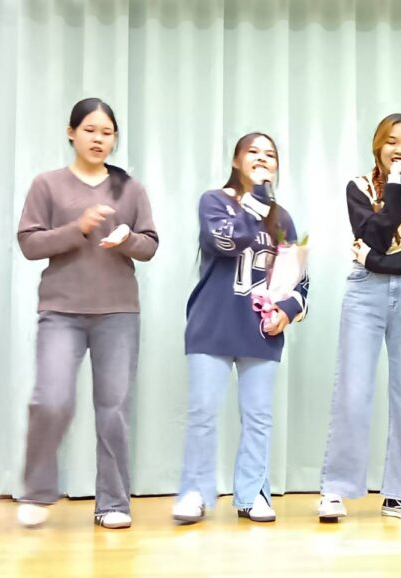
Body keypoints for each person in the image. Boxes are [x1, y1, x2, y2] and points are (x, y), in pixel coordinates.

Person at [16, 98, 159, 529]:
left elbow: (150, 245)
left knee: (113, 410)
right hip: (61, 311)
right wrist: (77, 228)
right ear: (71, 133)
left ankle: (113, 503)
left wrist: (127, 239)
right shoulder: (47, 184)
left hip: (118, 312)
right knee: (51, 399)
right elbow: (29, 244)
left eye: (107, 132)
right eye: (90, 130)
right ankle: (37, 492)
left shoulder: (129, 189)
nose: (99, 139)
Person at [172, 133, 308, 524]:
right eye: (254, 152)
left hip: (260, 331)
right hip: (212, 323)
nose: (263, 159)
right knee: (203, 413)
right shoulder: (214, 202)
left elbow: (298, 277)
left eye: (270, 155)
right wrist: (256, 201)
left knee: (258, 417)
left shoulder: (282, 219)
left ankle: (252, 495)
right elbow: (225, 242)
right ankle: (194, 492)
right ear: (236, 160)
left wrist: (286, 311)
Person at [318, 113, 401, 522]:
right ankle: (336, 489)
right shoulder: (359, 188)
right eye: (392, 141)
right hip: (364, 293)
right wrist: (393, 185)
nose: (400, 150)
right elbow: (375, 231)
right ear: (378, 146)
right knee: (353, 391)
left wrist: (375, 260)